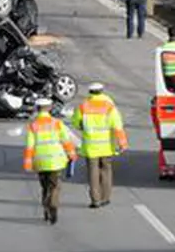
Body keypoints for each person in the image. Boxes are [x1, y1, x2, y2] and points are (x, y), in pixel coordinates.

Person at [70, 82, 128, 208]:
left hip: (91, 148)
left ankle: (95, 200)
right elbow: (117, 126)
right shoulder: (109, 106)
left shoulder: (83, 106)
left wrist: (83, 127)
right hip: (106, 147)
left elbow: (75, 122)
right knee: (106, 171)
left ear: (90, 92)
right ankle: (105, 198)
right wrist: (122, 143)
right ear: (102, 91)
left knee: (93, 173)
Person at [23, 97, 78, 225]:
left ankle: (46, 210)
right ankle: (52, 205)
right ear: (49, 108)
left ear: (37, 109)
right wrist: (72, 155)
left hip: (40, 161)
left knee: (44, 187)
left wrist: (28, 163)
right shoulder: (57, 123)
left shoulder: (33, 125)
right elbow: (66, 141)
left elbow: (29, 146)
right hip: (55, 161)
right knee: (54, 186)